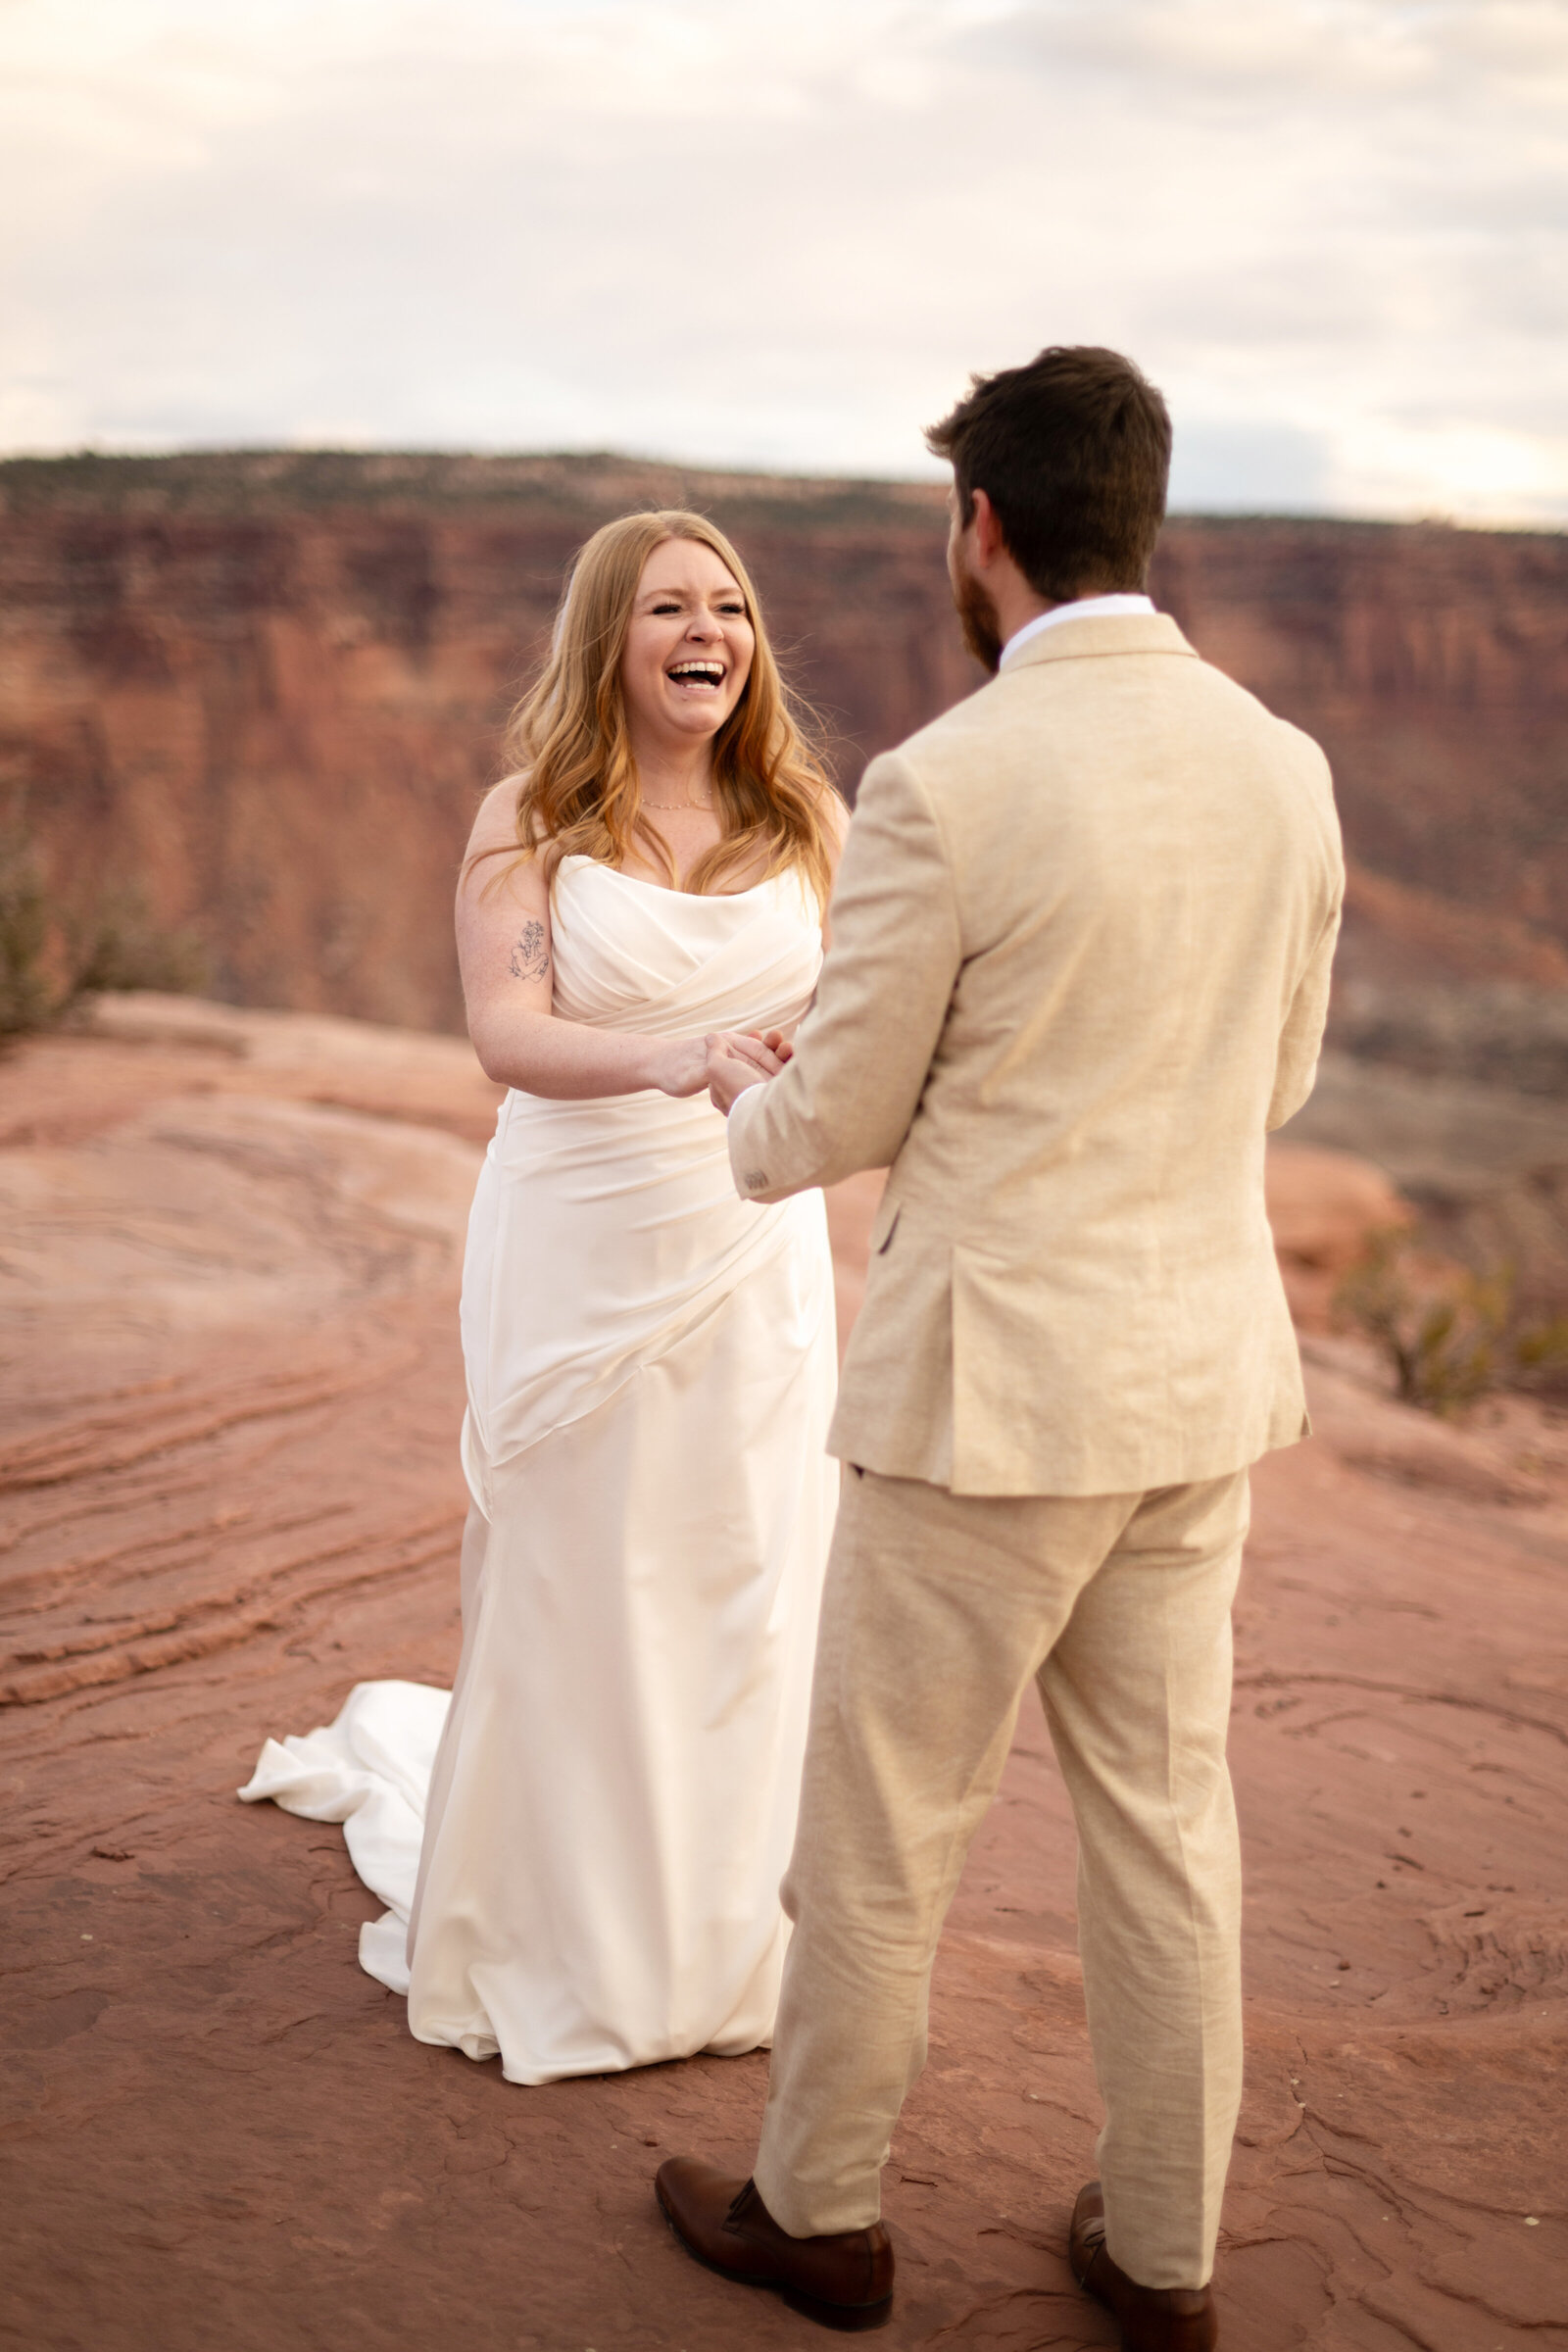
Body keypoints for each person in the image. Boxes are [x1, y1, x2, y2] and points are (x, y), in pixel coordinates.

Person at [655, 349, 1344, 2350]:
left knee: (881, 1831)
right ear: (1144, 516)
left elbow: (840, 1117)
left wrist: (739, 1100)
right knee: (1164, 1830)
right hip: (1190, 1385)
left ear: (979, 529)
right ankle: (1159, 2253)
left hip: (984, 1404)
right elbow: (1271, 1078)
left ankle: (825, 2214)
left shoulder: (946, 781)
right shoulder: (1278, 765)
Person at [241, 510, 846, 2086]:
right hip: (581, 1239)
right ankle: (561, 1939)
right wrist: (676, 1058)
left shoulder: (809, 816)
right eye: (667, 609)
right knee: (584, 1573)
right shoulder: (537, 817)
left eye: (730, 607)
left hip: (755, 1246)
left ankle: (723, 1939)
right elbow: (505, 1028)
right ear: (610, 638)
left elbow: (864, 1024)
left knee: (742, 1577)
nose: (708, 631)